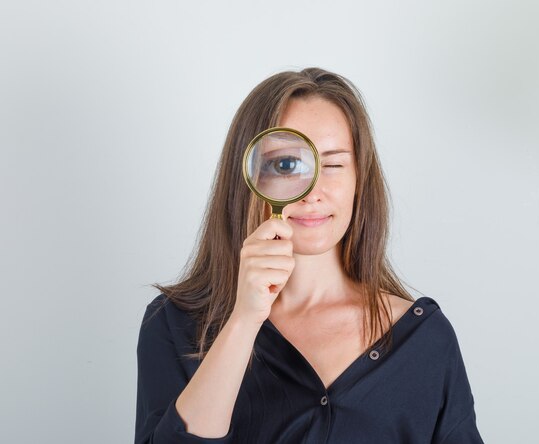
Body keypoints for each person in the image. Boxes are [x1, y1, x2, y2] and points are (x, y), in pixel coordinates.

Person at [134, 67, 484, 444]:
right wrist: (244, 321)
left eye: (333, 164)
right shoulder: (175, 325)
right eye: (286, 165)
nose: (311, 191)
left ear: (359, 181)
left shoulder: (423, 339)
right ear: (249, 178)